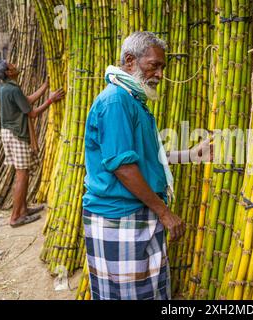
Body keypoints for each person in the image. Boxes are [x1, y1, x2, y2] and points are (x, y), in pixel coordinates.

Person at [83, 31, 213, 300]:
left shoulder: (132, 99)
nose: (160, 74)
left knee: (146, 292)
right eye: (155, 65)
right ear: (130, 60)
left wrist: (190, 154)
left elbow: (145, 157)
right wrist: (165, 213)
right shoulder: (116, 101)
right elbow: (124, 167)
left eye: (162, 67)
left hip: (136, 213)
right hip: (119, 216)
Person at [0, 60, 65, 228]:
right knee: (22, 176)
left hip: (9, 134)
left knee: (22, 175)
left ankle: (24, 210)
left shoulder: (5, 87)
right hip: (16, 134)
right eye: (11, 66)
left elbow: (27, 100)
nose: (15, 65)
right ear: (9, 72)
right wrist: (51, 100)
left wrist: (46, 86)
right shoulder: (13, 88)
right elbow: (31, 114)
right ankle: (15, 217)